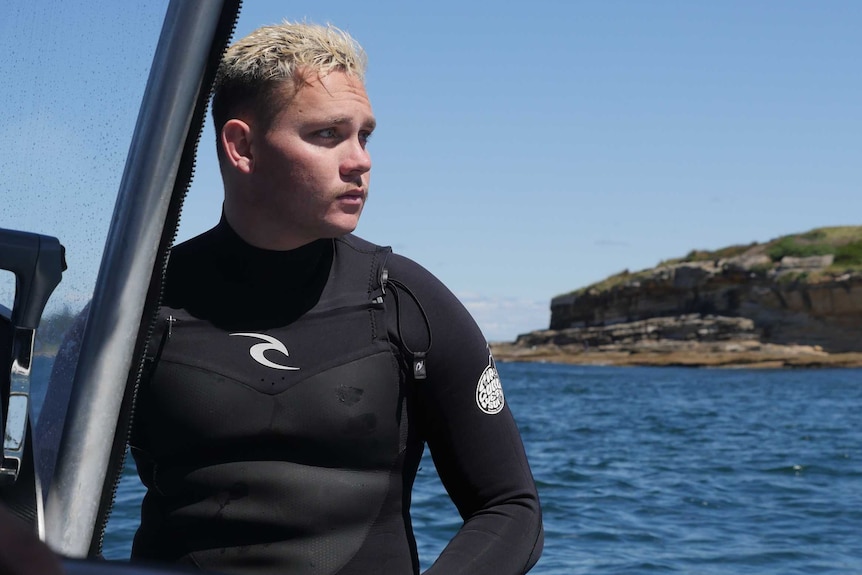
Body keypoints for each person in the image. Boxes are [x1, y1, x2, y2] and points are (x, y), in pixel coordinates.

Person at [129, 21, 543, 575]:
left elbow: (511, 510)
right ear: (242, 146)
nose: (360, 161)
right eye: (328, 135)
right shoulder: (139, 310)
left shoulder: (406, 303)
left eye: (364, 136)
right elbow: (47, 508)